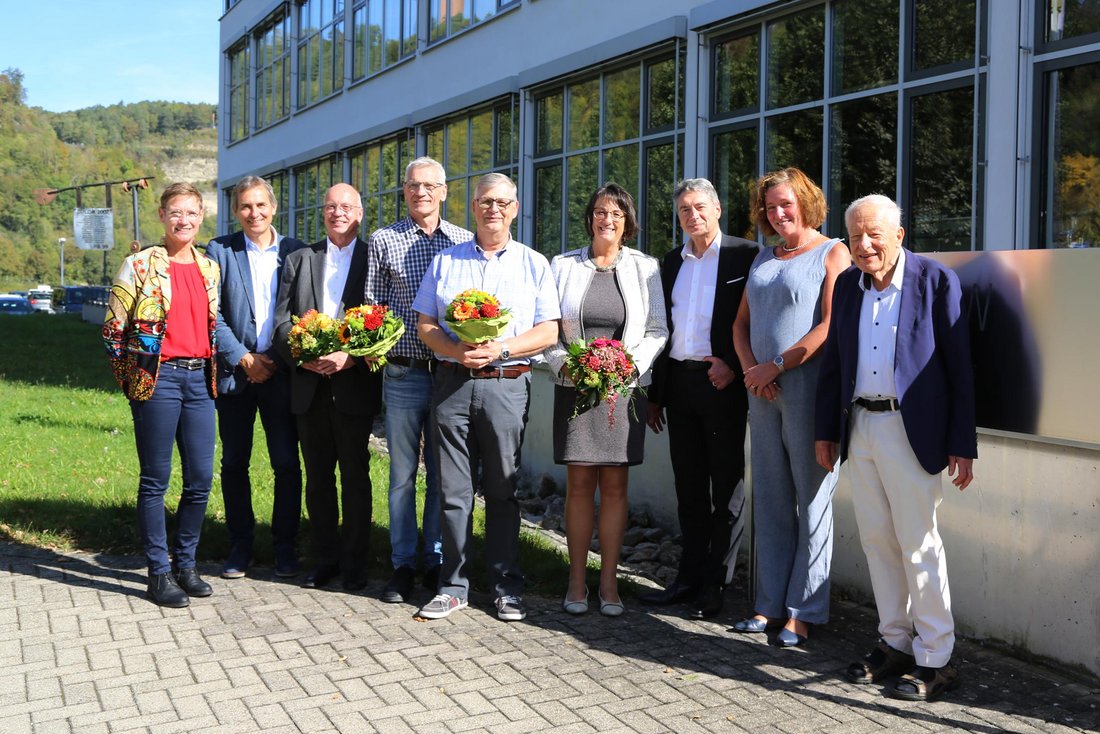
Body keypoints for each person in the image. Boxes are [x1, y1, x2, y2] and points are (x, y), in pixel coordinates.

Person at [815, 194, 977, 701]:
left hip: (913, 432)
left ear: (899, 236)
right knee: (877, 542)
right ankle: (894, 643)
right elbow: (834, 365)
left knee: (918, 543)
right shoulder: (846, 286)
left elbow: (959, 368)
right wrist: (826, 431)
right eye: (855, 236)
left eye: (874, 235)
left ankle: (937, 659)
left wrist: (961, 442)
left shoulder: (934, 281)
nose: (864, 245)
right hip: (860, 426)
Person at [412, 172, 560, 622]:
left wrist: (502, 347)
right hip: (453, 384)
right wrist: (457, 349)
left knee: (502, 490)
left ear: (514, 208)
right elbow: (425, 325)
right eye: (484, 201)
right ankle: (453, 585)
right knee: (453, 491)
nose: (492, 208)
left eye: (501, 202)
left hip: (507, 385)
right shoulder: (446, 261)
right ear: (472, 207)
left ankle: (504, 586)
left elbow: (549, 330)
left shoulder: (534, 263)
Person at [731, 168, 851, 646]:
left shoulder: (833, 251)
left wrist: (776, 365)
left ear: (805, 202)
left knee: (814, 500)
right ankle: (767, 607)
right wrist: (751, 372)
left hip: (807, 391)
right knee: (773, 501)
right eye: (770, 207)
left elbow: (829, 325)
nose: (778, 214)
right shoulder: (764, 256)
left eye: (786, 204)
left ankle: (803, 612)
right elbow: (740, 324)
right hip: (762, 395)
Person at [543, 183, 667, 617]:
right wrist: (567, 365)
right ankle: (576, 582)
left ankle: (609, 585)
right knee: (579, 485)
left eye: (615, 213)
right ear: (590, 217)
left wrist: (627, 367)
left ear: (627, 220)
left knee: (615, 486)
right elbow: (550, 330)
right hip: (575, 390)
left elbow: (657, 330)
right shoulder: (562, 266)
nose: (606, 220)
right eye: (599, 212)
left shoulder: (645, 267)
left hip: (623, 392)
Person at [643, 178, 760, 619]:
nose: (692, 216)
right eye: (684, 210)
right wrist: (656, 395)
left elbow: (756, 320)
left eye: (699, 207)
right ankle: (687, 579)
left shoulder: (744, 255)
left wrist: (732, 362)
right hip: (680, 386)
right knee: (688, 488)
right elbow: (663, 329)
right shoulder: (671, 262)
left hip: (722, 384)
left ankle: (716, 585)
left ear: (717, 209)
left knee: (726, 489)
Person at [103, 182, 220, 608]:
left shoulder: (209, 267)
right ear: (162, 215)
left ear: (201, 215)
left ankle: (186, 564)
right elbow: (113, 331)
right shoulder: (138, 265)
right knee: (156, 480)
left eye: (190, 213)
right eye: (175, 212)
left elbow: (211, 326)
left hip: (198, 381)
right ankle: (158, 572)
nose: (183, 220)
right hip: (159, 380)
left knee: (201, 480)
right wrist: (134, 382)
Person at [365, 157, 473, 604]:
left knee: (444, 474)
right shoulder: (383, 241)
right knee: (403, 474)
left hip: (451, 374)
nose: (421, 192)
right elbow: (371, 306)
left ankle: (435, 559)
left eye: (430, 185)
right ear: (404, 191)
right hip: (405, 370)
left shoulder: (465, 242)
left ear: (444, 192)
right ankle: (403, 564)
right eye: (413, 185)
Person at [273, 183, 382, 592]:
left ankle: (355, 565)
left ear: (360, 212)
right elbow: (281, 321)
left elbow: (385, 319)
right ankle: (324, 560)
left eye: (346, 206)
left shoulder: (375, 258)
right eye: (331, 206)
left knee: (355, 477)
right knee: (317, 479)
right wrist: (303, 354)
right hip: (308, 386)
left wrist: (350, 356)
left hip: (353, 385)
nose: (338, 213)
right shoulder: (300, 259)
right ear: (323, 212)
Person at [206, 175, 306, 580]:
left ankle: (285, 548)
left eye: (260, 205)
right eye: (245, 206)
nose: (254, 213)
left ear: (274, 207)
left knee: (285, 463)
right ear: (236, 211)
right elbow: (211, 314)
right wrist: (244, 357)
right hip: (237, 375)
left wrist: (275, 359)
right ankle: (240, 545)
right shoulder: (220, 250)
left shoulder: (296, 251)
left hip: (282, 375)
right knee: (234, 463)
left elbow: (305, 311)